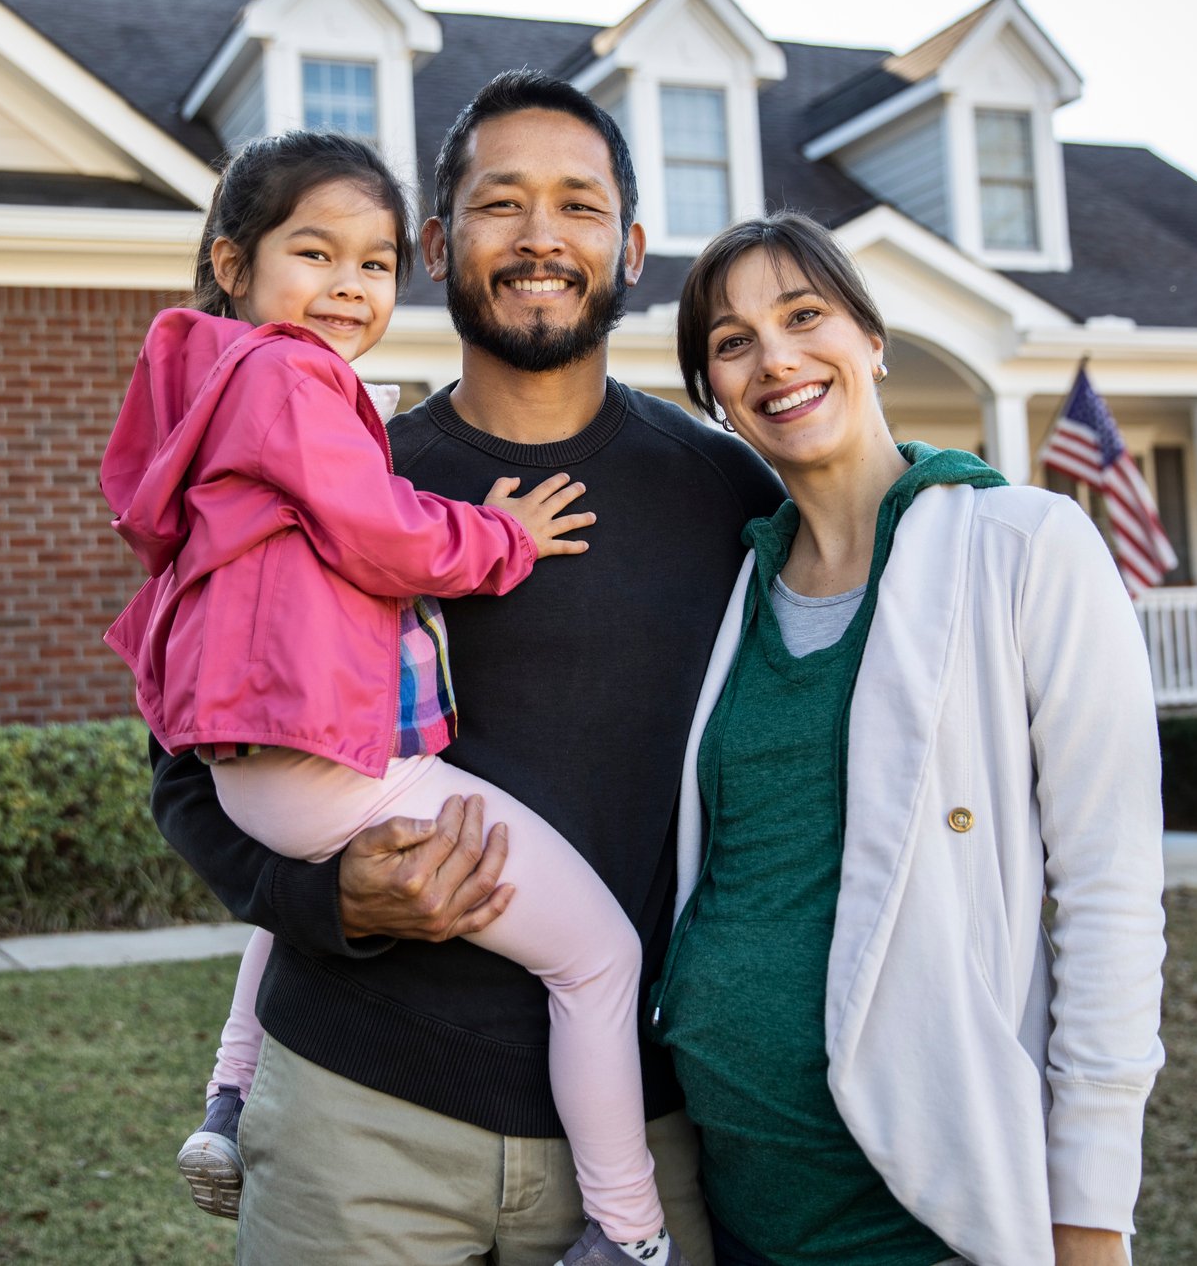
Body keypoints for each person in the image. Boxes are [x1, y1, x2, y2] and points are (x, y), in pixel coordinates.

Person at [149, 71, 782, 1265]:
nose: (542, 235)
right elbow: (188, 769)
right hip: (357, 1118)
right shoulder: (336, 473)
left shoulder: (729, 494)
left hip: (647, 1124)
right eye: (502, 203)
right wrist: (330, 900)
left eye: (579, 206)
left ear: (632, 247)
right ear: (436, 244)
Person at [651, 211, 1167, 1266]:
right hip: (735, 1201)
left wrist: (1091, 1214)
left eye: (805, 315)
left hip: (923, 1215)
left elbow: (1111, 891)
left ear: (872, 339)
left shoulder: (1024, 547)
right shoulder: (735, 587)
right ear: (713, 396)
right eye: (732, 342)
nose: (776, 357)